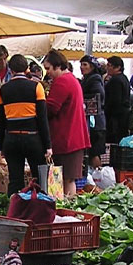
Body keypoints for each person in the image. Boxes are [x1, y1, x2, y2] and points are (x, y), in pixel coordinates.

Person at [0, 54, 52, 195]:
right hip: (32, 138)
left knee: (15, 180)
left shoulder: (2, 90)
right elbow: (42, 119)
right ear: (27, 69)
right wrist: (48, 145)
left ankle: (14, 211)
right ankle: (39, 208)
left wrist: (1, 146)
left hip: (11, 139)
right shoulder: (37, 87)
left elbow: (0, 121)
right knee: (39, 178)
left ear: (10, 70)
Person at [44, 50, 91, 197]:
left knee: (62, 179)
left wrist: (38, 103)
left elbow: (51, 108)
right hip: (74, 138)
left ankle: (64, 212)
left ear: (57, 66)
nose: (47, 73)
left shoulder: (62, 82)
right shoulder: (72, 79)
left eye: (48, 68)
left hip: (66, 139)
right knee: (68, 179)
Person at [79, 55, 107, 169]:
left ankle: (98, 176)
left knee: (94, 153)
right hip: (94, 122)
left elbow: (99, 95)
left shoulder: (94, 78)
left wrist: (81, 98)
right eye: (81, 64)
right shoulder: (88, 78)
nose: (82, 67)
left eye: (85, 64)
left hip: (95, 123)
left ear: (92, 66)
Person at [103, 56, 131, 143]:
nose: (107, 67)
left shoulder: (115, 80)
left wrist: (106, 112)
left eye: (109, 65)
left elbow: (114, 101)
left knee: (114, 142)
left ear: (118, 67)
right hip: (123, 116)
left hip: (115, 119)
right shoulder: (124, 78)